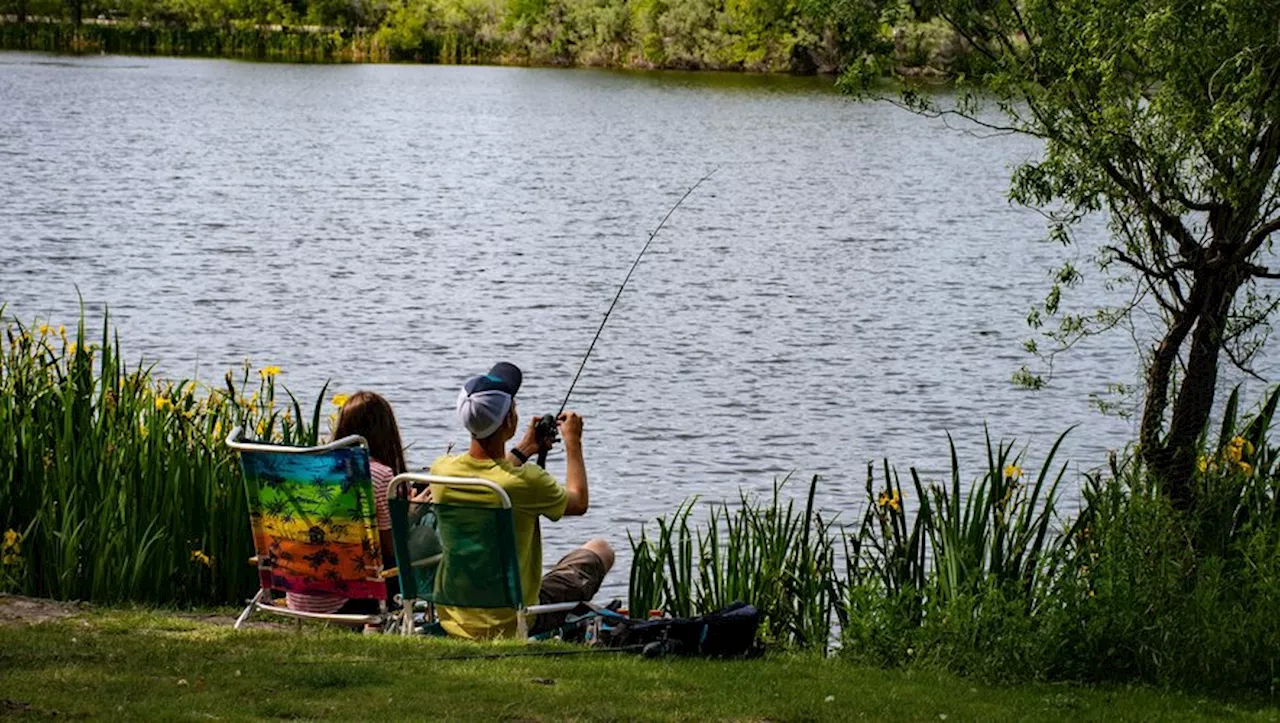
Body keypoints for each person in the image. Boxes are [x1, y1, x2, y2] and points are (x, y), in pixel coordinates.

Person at [429, 362, 615, 639]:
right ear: (508, 422)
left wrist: (525, 449)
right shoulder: (527, 481)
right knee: (600, 549)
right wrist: (573, 441)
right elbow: (578, 502)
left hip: (454, 616)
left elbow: (494, 477)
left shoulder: (442, 471)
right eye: (514, 407)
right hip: (513, 618)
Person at [286, 390, 409, 616]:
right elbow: (391, 547)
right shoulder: (380, 475)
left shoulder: (314, 469)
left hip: (299, 594)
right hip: (348, 600)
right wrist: (410, 515)